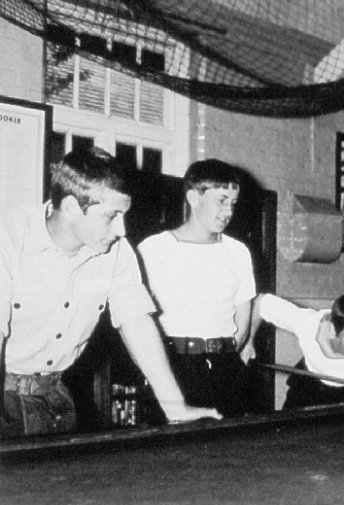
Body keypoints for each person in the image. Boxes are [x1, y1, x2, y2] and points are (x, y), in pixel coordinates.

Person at [0, 147, 221, 438]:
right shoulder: (10, 237)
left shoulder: (116, 251)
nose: (122, 229)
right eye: (111, 215)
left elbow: (137, 322)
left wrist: (174, 406)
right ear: (70, 207)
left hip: (56, 398)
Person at [138, 159, 256, 417]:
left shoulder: (238, 252)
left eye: (233, 203)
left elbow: (243, 320)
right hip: (175, 367)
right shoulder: (154, 249)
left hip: (227, 369)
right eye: (221, 200)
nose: (228, 211)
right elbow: (138, 320)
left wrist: (227, 358)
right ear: (193, 197)